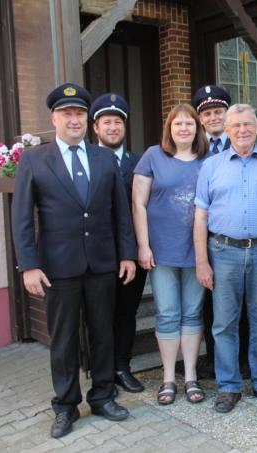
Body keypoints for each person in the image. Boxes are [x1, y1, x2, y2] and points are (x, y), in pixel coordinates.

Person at [12, 83, 137, 438]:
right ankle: (66, 406)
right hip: (57, 268)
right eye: (67, 113)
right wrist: (29, 264)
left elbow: (120, 213)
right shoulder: (34, 160)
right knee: (64, 339)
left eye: (80, 113)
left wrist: (126, 254)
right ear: (54, 118)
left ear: (88, 120)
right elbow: (22, 216)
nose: (74, 119)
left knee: (103, 334)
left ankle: (102, 396)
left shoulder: (103, 158)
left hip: (101, 264)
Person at [194, 104, 257, 413]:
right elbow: (200, 216)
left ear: (256, 127)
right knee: (224, 323)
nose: (242, 130)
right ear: (227, 130)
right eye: (236, 125)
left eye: (248, 124)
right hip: (223, 253)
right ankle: (229, 386)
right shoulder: (211, 166)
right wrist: (201, 261)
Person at [133, 104, 209, 405]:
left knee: (192, 313)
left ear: (197, 128)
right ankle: (168, 378)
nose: (183, 128)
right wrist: (143, 245)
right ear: (169, 128)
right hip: (162, 249)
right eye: (177, 124)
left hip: (197, 251)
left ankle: (189, 376)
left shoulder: (208, 160)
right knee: (167, 313)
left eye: (189, 123)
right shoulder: (153, 156)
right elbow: (138, 203)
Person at [192, 85, 252, 380]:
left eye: (219, 112)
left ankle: (243, 360)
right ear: (200, 119)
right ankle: (215, 360)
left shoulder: (242, 142)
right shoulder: (190, 146)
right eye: (208, 113)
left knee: (243, 305)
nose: (214, 117)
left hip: (240, 240)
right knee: (210, 304)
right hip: (207, 238)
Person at [90, 92, 148, 394]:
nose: (113, 127)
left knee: (126, 313)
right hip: (96, 253)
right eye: (106, 122)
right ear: (96, 128)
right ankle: (100, 371)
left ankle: (121, 367)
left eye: (117, 122)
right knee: (99, 315)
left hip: (131, 252)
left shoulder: (139, 163)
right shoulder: (86, 160)